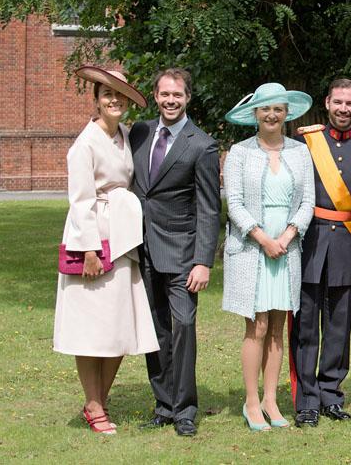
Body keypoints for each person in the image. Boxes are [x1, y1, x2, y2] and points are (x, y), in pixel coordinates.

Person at [53, 66, 158, 435]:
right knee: (91, 326)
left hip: (124, 238)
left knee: (117, 324)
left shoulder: (126, 136)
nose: (114, 100)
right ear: (96, 100)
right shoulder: (85, 143)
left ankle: (99, 398)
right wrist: (90, 251)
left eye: (120, 94)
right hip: (94, 238)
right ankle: (94, 405)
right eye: (106, 94)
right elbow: (80, 200)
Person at [130, 68, 222, 437]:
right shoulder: (139, 132)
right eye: (165, 94)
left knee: (183, 328)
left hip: (183, 252)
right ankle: (163, 404)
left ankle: (185, 409)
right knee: (156, 330)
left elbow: (209, 208)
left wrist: (203, 261)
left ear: (187, 99)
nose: (171, 100)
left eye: (178, 95)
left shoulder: (202, 144)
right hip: (142, 248)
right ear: (155, 96)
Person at [222, 83, 315, 431]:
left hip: (287, 247)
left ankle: (271, 400)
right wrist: (262, 238)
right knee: (257, 325)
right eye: (265, 109)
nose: (271, 115)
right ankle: (250, 401)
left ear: (286, 113)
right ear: (255, 114)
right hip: (253, 247)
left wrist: (288, 236)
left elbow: (307, 201)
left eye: (277, 109)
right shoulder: (240, 152)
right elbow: (234, 204)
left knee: (278, 327)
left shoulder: (299, 152)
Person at [290, 78, 351, 427]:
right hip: (310, 242)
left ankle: (331, 395)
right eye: (338, 102)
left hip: (347, 242)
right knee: (307, 326)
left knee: (339, 326)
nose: (344, 109)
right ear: (327, 102)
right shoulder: (304, 140)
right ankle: (306, 400)